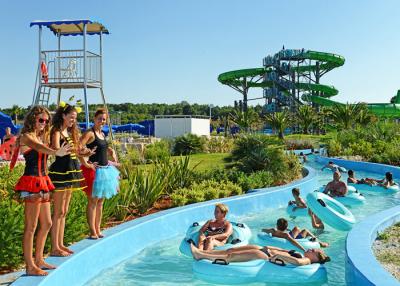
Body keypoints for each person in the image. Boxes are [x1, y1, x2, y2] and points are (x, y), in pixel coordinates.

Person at [13, 106, 71, 276]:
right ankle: (30, 266)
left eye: (46, 121)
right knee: (31, 227)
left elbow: (46, 148)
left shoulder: (40, 136)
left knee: (47, 223)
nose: (44, 123)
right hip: (31, 182)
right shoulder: (26, 137)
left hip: (43, 181)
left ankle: (38, 259)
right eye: (41, 120)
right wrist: (56, 152)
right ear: (33, 119)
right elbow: (40, 148)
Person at [48, 103, 94, 257]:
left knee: (64, 211)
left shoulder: (70, 132)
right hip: (61, 173)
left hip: (71, 172)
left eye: (75, 118)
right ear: (63, 116)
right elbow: (56, 150)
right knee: (58, 212)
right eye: (71, 117)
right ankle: (54, 247)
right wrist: (76, 149)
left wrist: (84, 152)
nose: (73, 120)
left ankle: (60, 244)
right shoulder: (56, 132)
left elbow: (75, 152)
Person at [80, 108, 120, 239]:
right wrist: (86, 161)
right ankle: (92, 231)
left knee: (100, 201)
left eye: (104, 119)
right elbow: (79, 147)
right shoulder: (90, 133)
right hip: (93, 171)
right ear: (94, 119)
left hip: (105, 170)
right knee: (92, 201)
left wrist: (110, 150)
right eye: (99, 119)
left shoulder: (102, 133)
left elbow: (101, 147)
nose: (102, 121)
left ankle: (98, 229)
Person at [190, 243, 330, 266]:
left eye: (314, 251)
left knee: (231, 257)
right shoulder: (302, 253)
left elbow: (297, 262)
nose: (311, 250)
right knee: (230, 250)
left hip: (265, 257)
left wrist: (279, 256)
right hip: (266, 251)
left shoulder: (306, 261)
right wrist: (270, 247)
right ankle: (203, 251)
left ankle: (200, 255)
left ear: (316, 258)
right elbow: (285, 250)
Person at [262, 218, 328, 251]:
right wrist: (304, 250)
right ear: (286, 227)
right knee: (305, 230)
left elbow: (263, 230)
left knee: (296, 228)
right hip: (293, 239)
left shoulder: (273, 231)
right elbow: (294, 242)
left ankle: (318, 240)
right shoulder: (286, 235)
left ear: (277, 225)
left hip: (281, 234)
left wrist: (268, 230)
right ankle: (321, 243)